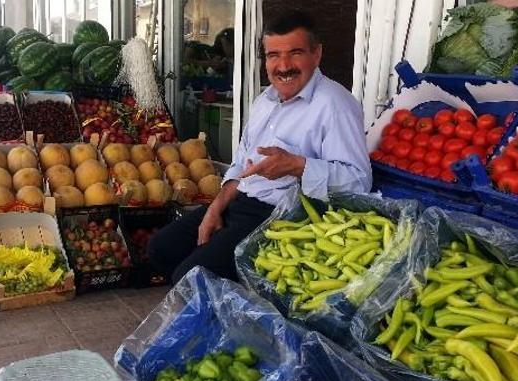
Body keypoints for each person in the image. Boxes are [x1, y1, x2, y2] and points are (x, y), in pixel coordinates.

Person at [149, 11, 371, 284]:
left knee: (192, 278)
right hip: (239, 203)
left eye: (295, 53)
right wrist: (215, 209)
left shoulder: (336, 105)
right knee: (160, 249)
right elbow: (241, 166)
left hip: (281, 219)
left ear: (317, 54)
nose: (283, 65)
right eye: (273, 55)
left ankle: (228, 301)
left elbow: (359, 181)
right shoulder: (264, 101)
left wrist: (297, 165)